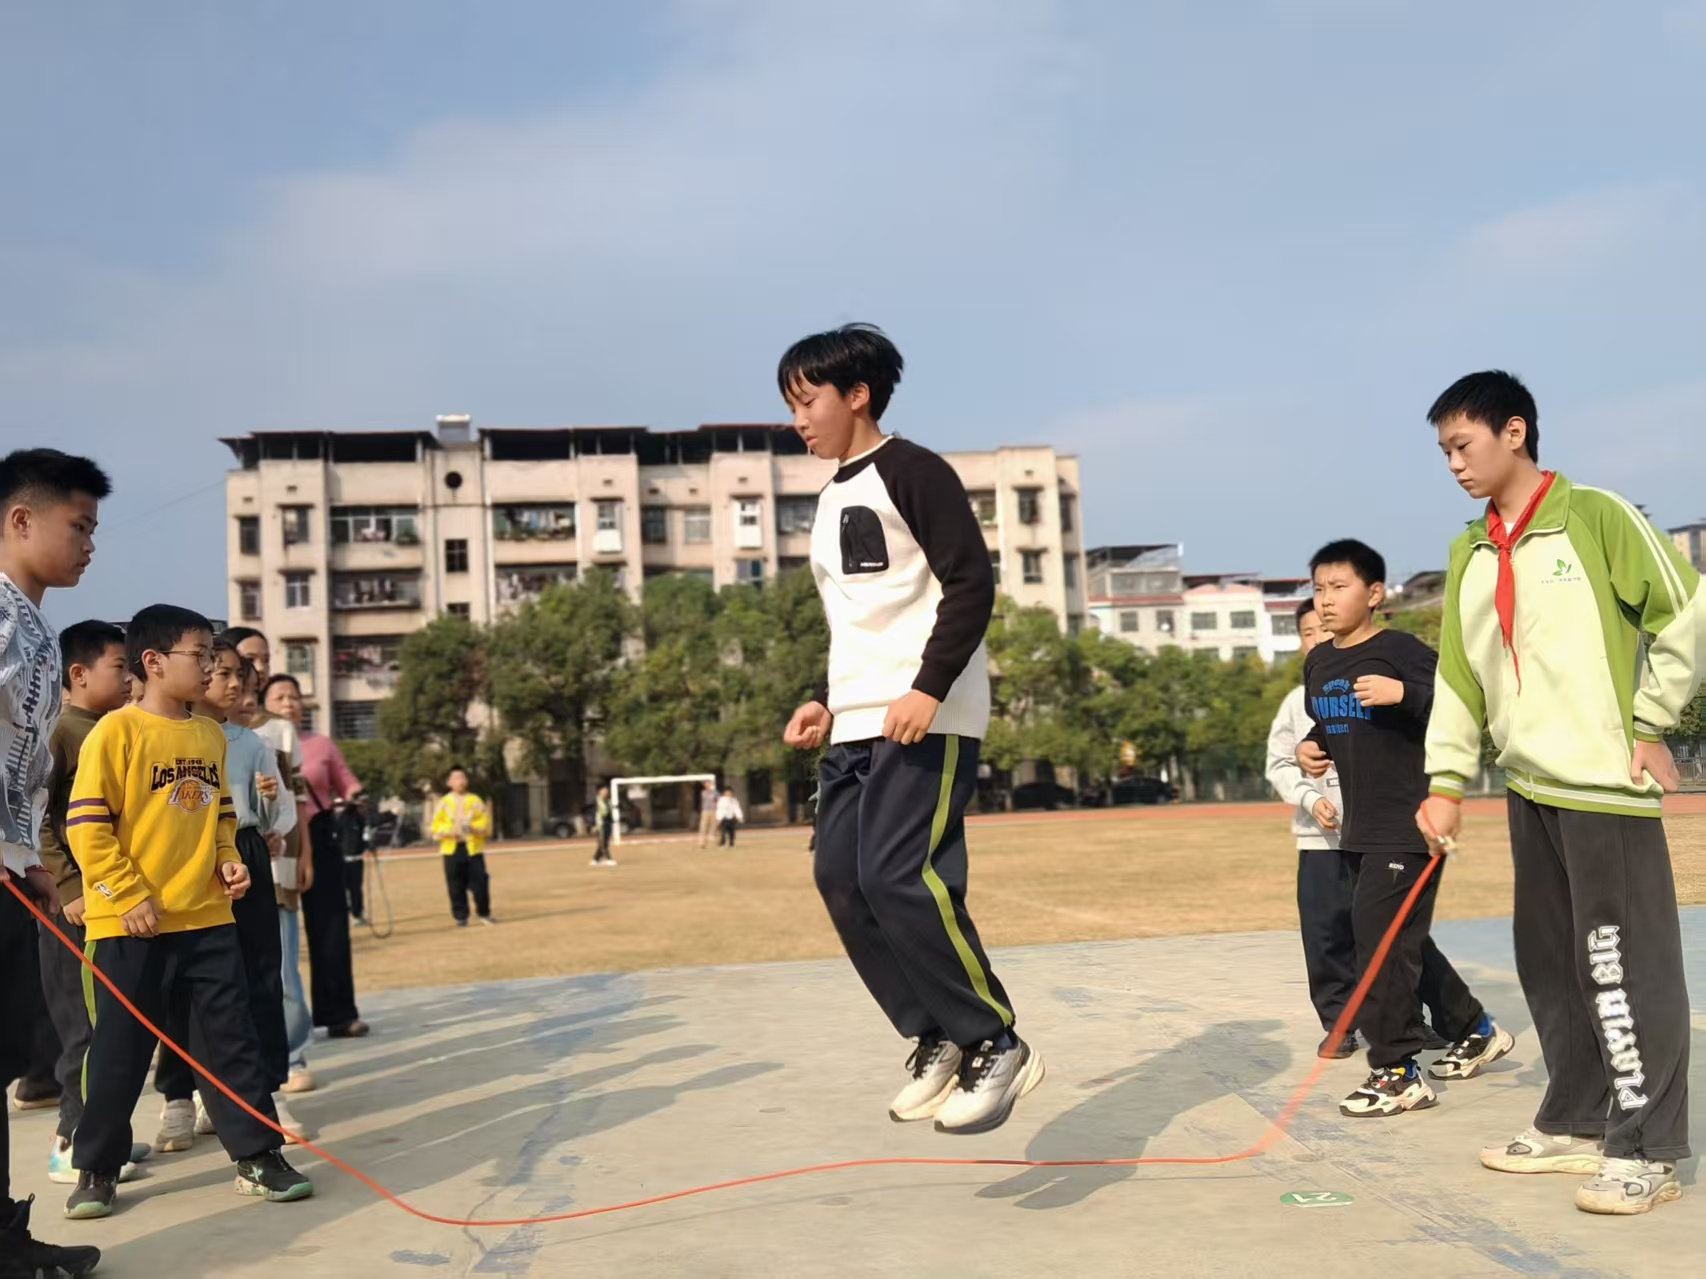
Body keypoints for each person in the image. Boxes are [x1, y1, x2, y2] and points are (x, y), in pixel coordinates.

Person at [1419, 371, 1702, 1215]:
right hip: (1529, 786)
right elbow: (1460, 676)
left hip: (1602, 787)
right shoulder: (1471, 549)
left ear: (1514, 432)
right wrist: (1444, 781)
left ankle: (1648, 1147)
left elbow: (1687, 618)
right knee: (1548, 961)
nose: (1454, 465)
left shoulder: (1597, 516)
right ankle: (1578, 1121)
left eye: (1462, 446)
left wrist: (1650, 719)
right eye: (1442, 452)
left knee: (1620, 967)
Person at [779, 323, 1042, 1135]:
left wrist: (929, 689)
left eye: (807, 400)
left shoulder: (915, 471)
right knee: (840, 877)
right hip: (855, 715)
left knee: (898, 874)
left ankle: (995, 1041)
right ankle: (935, 1033)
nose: (799, 420)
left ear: (856, 394)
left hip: (925, 712)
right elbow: (861, 620)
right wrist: (825, 698)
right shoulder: (828, 500)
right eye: (790, 405)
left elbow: (970, 583)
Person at [65, 603, 312, 1218]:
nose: (209, 667)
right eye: (199, 656)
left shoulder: (206, 736)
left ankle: (258, 1155)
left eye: (211, 656)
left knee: (231, 1043)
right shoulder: (115, 733)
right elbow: (87, 827)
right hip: (129, 926)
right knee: (119, 1050)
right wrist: (127, 895)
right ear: (152, 663)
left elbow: (220, 816)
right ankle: (97, 1166)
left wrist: (228, 859)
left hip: (206, 921)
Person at [1298, 539, 1512, 1118]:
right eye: (1318, 588)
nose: (1325, 600)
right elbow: (1331, 720)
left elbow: (1464, 706)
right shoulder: (1319, 661)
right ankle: (1473, 1027)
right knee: (1392, 937)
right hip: (1359, 827)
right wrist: (1311, 746)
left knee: (1380, 945)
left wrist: (1404, 694)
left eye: (1338, 587)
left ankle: (1397, 1071)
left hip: (1411, 822)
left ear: (1373, 594)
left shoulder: (1401, 651)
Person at [0, 449, 107, 1275]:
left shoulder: (31, 625)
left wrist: (25, 854)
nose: (89, 543)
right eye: (78, 525)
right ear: (20, 519)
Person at [154, 642, 308, 1150]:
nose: (233, 683)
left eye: (239, 674)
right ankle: (179, 1095)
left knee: (259, 975)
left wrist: (267, 804)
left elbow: (279, 821)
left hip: (243, 850)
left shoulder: (252, 742)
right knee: (183, 982)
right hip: (184, 856)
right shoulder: (164, 734)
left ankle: (264, 1090)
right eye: (221, 672)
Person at [35, 620, 153, 1185]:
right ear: (78, 674)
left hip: (109, 904)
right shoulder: (61, 732)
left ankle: (106, 1136)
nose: (131, 677)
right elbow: (38, 818)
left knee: (112, 1027)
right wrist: (69, 887)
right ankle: (70, 1141)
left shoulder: (115, 729)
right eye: (119, 667)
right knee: (81, 1029)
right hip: (73, 908)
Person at [224, 628, 318, 1092]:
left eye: (260, 660)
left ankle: (292, 1054)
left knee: (281, 969)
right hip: (232, 866)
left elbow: (292, 798)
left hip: (274, 859)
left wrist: (302, 852)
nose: (254, 669)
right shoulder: (210, 731)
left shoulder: (274, 732)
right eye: (245, 660)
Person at [1265, 599, 1358, 1060]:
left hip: (1374, 840)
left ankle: (1409, 1018)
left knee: (1384, 934)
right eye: (1307, 632)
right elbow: (1279, 763)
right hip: (1318, 842)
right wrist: (1312, 799)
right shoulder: (1293, 704)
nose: (1317, 640)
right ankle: (1340, 1024)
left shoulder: (1367, 690)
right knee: (1325, 936)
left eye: (1324, 630)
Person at [264, 673, 368, 1039]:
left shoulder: (321, 745)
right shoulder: (260, 741)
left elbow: (346, 780)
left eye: (294, 697)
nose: (289, 703)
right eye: (279, 697)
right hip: (277, 841)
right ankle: (285, 1026)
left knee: (330, 929)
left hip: (320, 838)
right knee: (279, 936)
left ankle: (339, 1014)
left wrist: (356, 796)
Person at [430, 766, 494, 927]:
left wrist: (473, 827)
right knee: (455, 884)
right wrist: (449, 832)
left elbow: (485, 822)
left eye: (463, 777)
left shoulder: (475, 800)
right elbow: (435, 825)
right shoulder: (444, 803)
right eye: (457, 778)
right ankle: (460, 916)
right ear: (449, 782)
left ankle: (484, 912)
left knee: (480, 882)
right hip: (452, 848)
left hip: (473, 848)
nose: (461, 781)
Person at [591, 785, 615, 867]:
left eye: (606, 790)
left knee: (604, 842)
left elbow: (609, 812)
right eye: (604, 790)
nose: (606, 791)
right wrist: (594, 825)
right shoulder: (597, 801)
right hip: (601, 824)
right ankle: (609, 859)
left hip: (608, 823)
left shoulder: (608, 800)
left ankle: (595, 859)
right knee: (603, 842)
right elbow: (594, 814)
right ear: (599, 791)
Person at [698, 779, 718, 849]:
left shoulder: (715, 792)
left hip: (713, 810)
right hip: (706, 810)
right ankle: (702, 842)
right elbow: (707, 798)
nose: (708, 785)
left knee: (713, 826)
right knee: (703, 826)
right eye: (706, 784)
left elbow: (716, 799)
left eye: (709, 783)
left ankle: (712, 842)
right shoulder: (703, 792)